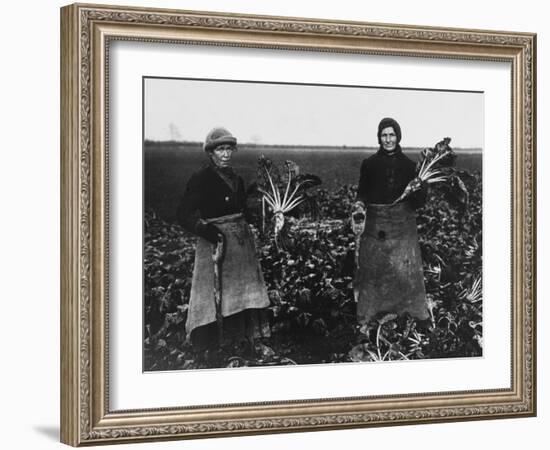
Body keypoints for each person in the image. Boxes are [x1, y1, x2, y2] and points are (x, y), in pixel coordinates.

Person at [177, 127, 270, 356]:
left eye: (229, 149)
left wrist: (262, 217)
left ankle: (245, 340)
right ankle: (213, 344)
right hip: (215, 244)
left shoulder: (236, 179)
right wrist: (207, 231)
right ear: (211, 152)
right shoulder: (201, 178)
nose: (226, 154)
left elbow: (242, 210)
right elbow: (184, 214)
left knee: (242, 293)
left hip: (240, 245)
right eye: (220, 149)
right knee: (214, 293)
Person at [352, 117, 430, 323]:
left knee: (405, 272)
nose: (388, 139)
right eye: (384, 135)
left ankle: (408, 314)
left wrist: (422, 188)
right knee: (374, 271)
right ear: (379, 138)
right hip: (376, 227)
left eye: (392, 135)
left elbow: (418, 203)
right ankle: (372, 314)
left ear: (398, 137)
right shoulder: (369, 164)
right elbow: (362, 193)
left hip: (402, 228)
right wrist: (359, 205)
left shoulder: (410, 166)